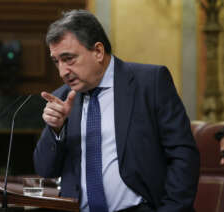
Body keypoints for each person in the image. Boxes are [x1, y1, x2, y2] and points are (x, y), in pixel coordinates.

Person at [33, 9, 200, 212]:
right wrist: (56, 130)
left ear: (98, 51)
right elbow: (45, 169)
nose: (62, 71)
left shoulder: (150, 82)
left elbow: (183, 155)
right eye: (56, 61)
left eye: (69, 59)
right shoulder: (61, 98)